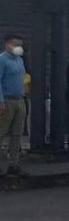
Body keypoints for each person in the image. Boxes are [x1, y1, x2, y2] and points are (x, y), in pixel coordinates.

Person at [0, 34, 27, 177]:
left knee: (17, 134)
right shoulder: (2, 60)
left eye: (20, 45)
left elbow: (23, 77)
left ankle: (14, 164)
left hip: (20, 100)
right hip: (7, 101)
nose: (19, 48)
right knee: (1, 133)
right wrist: (1, 101)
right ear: (7, 45)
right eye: (16, 44)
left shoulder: (19, 61)